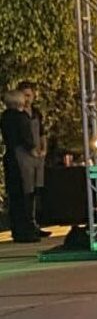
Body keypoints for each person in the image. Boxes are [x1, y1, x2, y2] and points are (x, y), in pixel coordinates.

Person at [2, 88, 44, 242]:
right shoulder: (21, 117)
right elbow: (26, 138)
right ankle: (27, 230)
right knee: (26, 193)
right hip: (22, 159)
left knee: (14, 196)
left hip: (10, 157)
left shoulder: (5, 117)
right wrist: (34, 150)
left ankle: (17, 229)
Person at [17, 81, 46, 229]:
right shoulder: (18, 115)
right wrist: (31, 149)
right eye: (24, 96)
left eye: (29, 95)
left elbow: (42, 132)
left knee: (37, 189)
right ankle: (28, 223)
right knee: (27, 189)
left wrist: (44, 148)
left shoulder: (37, 113)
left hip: (38, 155)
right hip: (25, 156)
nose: (27, 99)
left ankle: (36, 222)